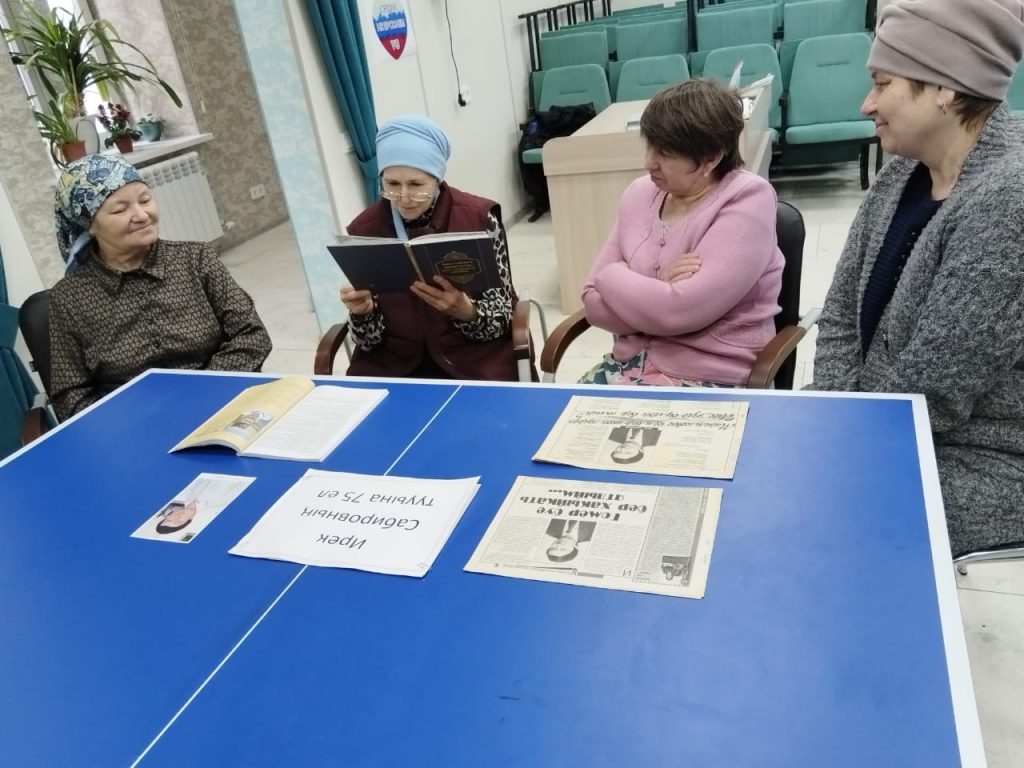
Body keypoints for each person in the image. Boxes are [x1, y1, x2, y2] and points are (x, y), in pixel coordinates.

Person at [810, 0, 1024, 556]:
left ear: (945, 88)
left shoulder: (1009, 199)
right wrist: (832, 410)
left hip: (980, 457)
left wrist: (836, 442)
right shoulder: (904, 169)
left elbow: (934, 391)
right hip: (879, 422)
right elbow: (839, 315)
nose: (867, 104)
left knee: (814, 513)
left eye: (883, 83)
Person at [580, 79, 784, 387]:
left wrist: (612, 277)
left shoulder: (748, 199)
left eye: (664, 152)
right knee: (562, 417)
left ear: (711, 158)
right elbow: (592, 303)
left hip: (709, 375)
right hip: (628, 367)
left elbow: (676, 312)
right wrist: (660, 290)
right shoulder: (639, 194)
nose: (648, 163)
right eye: (649, 146)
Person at [49, 155, 271, 421]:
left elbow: (252, 335)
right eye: (120, 210)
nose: (142, 215)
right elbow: (69, 394)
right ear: (90, 226)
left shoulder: (196, 259)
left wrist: (201, 393)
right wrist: (131, 421)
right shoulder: (69, 298)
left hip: (221, 403)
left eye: (145, 200)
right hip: (135, 425)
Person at [340, 114, 520, 380]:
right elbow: (367, 343)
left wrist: (467, 312)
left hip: (471, 360)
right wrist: (362, 314)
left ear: (437, 179)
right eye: (392, 184)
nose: (404, 198)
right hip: (394, 365)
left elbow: (502, 317)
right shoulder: (365, 230)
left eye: (416, 185)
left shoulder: (479, 219)